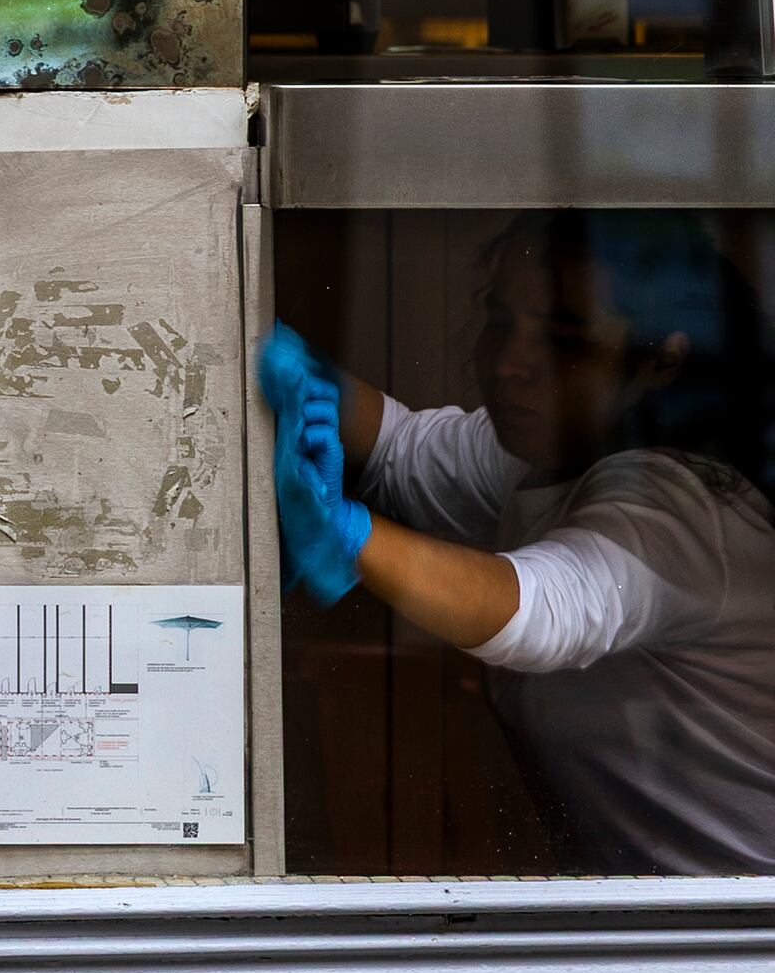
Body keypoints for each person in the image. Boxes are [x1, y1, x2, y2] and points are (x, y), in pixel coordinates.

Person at [265, 210, 775, 872]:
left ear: (658, 360)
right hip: (651, 913)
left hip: (741, 938)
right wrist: (274, 354)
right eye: (501, 321)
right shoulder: (547, 447)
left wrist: (347, 537)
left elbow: (543, 607)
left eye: (564, 338)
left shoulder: (689, 508)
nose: (510, 363)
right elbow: (401, 445)